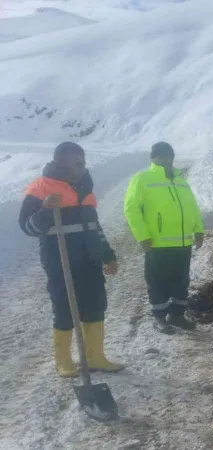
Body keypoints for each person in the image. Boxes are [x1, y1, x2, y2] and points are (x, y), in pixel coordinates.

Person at [19, 141, 124, 377]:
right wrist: (45, 211)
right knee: (64, 307)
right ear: (60, 162)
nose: (82, 166)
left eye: (83, 162)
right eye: (76, 162)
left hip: (89, 258)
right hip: (59, 260)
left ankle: (95, 356)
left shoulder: (85, 189)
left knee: (95, 305)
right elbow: (27, 227)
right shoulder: (41, 188)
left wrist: (108, 254)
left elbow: (94, 226)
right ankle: (64, 361)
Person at [123, 142, 204, 334]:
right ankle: (159, 317)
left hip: (183, 242)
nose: (167, 160)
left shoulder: (180, 180)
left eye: (170, 156)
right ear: (153, 158)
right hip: (157, 243)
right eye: (162, 157)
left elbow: (192, 206)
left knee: (181, 280)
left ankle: (177, 315)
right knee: (158, 281)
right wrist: (142, 236)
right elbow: (131, 209)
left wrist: (198, 229)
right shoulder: (142, 179)